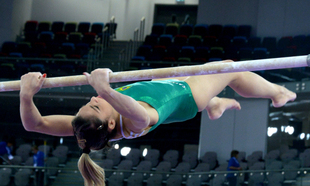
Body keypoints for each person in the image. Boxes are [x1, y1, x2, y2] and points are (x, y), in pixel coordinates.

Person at [19, 60, 296, 186]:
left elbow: (37, 124)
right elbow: (141, 115)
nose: (94, 98)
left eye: (92, 99)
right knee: (230, 69)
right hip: (187, 96)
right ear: (112, 124)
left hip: (163, 87)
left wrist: (26, 94)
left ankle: (215, 104)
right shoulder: (133, 122)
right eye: (95, 104)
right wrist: (106, 90)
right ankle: (277, 93)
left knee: (212, 84)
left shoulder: (89, 128)